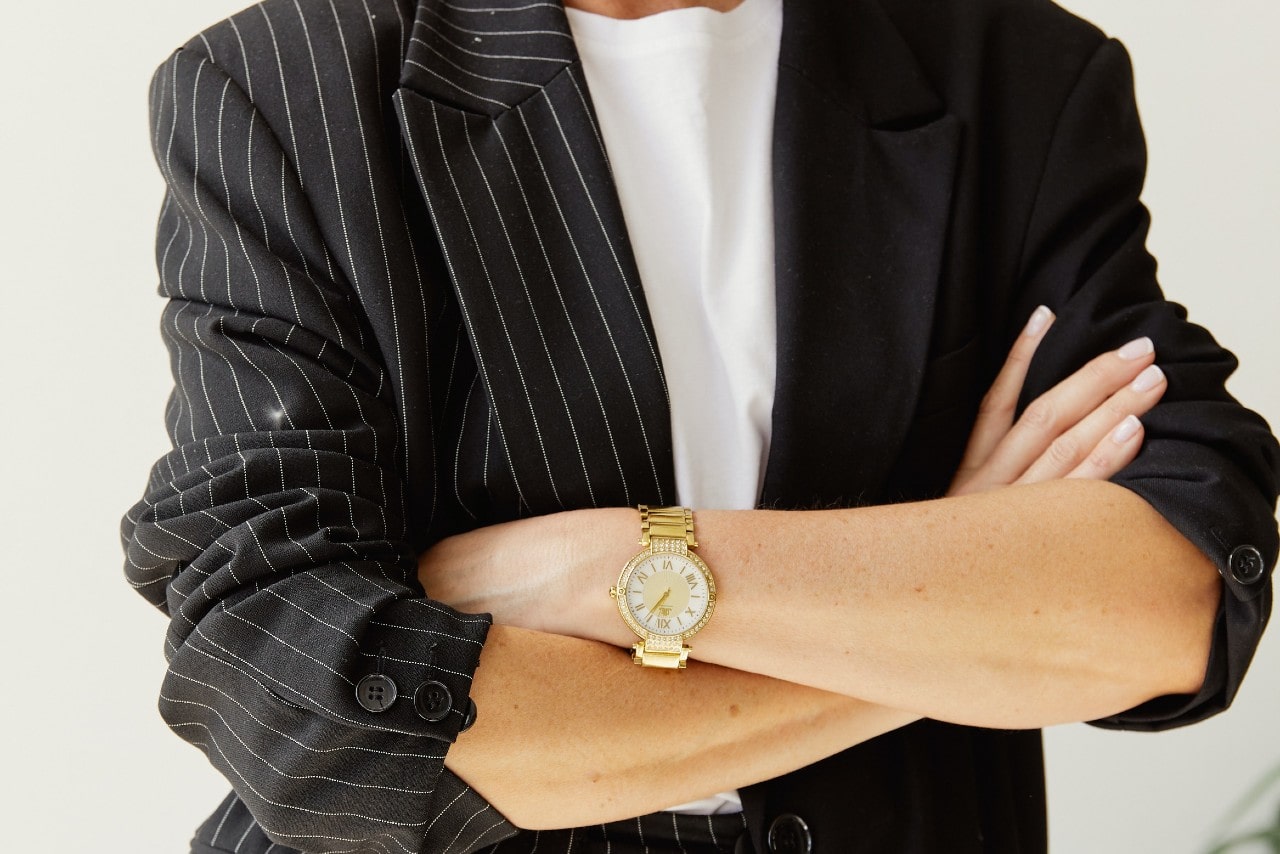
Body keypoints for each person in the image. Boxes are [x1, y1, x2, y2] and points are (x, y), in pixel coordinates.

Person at [121, 0, 1278, 851]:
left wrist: (608, 564)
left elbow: (1170, 600)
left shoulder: (1015, 71)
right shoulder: (281, 89)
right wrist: (961, 625)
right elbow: (306, 704)